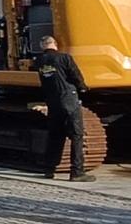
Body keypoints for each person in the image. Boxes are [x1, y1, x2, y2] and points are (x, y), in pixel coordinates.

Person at [33, 35, 93, 181]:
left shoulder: (39, 61)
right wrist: (83, 88)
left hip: (52, 101)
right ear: (55, 44)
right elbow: (75, 75)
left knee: (55, 135)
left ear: (43, 46)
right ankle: (77, 171)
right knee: (77, 135)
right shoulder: (64, 58)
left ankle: (49, 169)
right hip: (68, 98)